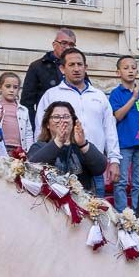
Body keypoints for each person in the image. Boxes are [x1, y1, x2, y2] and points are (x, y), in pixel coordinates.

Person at [34, 48, 121, 195]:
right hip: (57, 168)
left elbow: (110, 129)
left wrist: (114, 160)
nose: (76, 69)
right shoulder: (51, 95)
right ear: (62, 68)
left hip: (94, 166)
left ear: (85, 67)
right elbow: (40, 129)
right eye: (71, 64)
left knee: (95, 213)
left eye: (80, 64)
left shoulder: (99, 96)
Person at [26, 102, 107, 192]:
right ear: (47, 124)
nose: (62, 121)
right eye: (56, 117)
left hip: (82, 201)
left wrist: (83, 144)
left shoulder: (81, 146)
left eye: (66, 117)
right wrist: (58, 141)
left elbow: (100, 168)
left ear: (73, 122)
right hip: (49, 202)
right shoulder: (39, 146)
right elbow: (31, 167)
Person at [109, 56, 139, 210]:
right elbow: (118, 116)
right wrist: (134, 98)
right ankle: (123, 215)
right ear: (118, 72)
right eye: (126, 68)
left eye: (133, 67)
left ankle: (138, 215)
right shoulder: (116, 93)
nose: (130, 71)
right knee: (121, 182)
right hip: (124, 143)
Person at [21, 28, 76, 121]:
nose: (68, 47)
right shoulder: (37, 66)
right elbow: (27, 103)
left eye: (71, 45)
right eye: (64, 43)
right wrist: (34, 127)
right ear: (54, 45)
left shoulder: (77, 68)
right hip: (47, 124)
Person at [0, 72, 33, 156]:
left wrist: (29, 152)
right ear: (0, 88)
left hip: (19, 150)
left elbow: (28, 133)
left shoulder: (24, 110)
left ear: (19, 90)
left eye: (15, 87)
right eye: (8, 86)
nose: (11, 90)